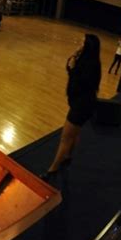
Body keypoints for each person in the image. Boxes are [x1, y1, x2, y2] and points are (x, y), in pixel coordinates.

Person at [42, 34, 102, 181]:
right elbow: (70, 69)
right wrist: (73, 60)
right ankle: (68, 157)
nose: (79, 42)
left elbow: (81, 84)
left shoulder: (92, 65)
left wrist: (74, 69)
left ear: (88, 46)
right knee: (74, 134)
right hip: (79, 103)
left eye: (82, 41)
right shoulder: (84, 58)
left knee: (65, 138)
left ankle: (52, 170)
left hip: (82, 105)